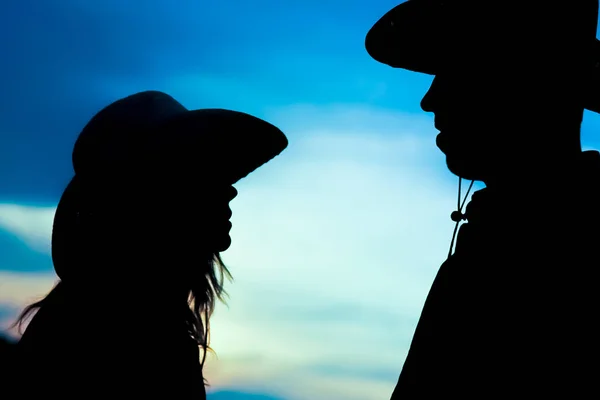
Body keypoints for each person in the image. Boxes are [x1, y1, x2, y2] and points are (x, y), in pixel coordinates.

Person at [365, 0, 600, 398]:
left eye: (460, 72)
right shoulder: (496, 242)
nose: (430, 98)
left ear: (523, 86)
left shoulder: (531, 256)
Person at [10, 90, 288, 398]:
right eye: (204, 174)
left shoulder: (114, 316)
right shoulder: (121, 329)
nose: (230, 192)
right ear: (154, 195)